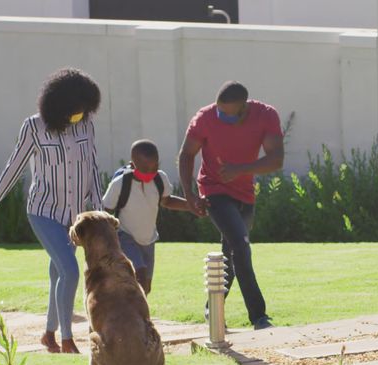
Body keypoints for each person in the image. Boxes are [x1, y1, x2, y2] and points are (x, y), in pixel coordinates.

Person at [0, 68, 102, 354]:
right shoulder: (34, 127)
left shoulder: (86, 125)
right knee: (69, 270)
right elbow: (13, 168)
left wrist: (101, 213)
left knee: (59, 274)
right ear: (59, 107)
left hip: (74, 216)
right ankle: (67, 339)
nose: (79, 116)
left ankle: (48, 334)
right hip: (43, 212)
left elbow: (92, 168)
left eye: (84, 111)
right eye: (75, 111)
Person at [177, 81, 284, 330]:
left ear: (244, 108)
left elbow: (276, 159)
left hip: (245, 193)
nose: (221, 116)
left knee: (232, 253)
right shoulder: (204, 118)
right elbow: (186, 154)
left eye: (227, 113)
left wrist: (240, 170)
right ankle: (259, 316)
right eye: (219, 110)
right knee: (240, 245)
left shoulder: (265, 116)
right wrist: (190, 194)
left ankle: (211, 309)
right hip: (214, 190)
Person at [103, 140, 196, 294]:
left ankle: (133, 314)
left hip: (149, 240)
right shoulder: (120, 183)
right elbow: (105, 210)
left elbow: (166, 201)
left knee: (146, 286)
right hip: (125, 236)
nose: (150, 172)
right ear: (133, 165)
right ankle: (135, 317)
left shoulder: (160, 179)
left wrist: (190, 205)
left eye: (154, 167)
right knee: (139, 275)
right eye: (145, 169)